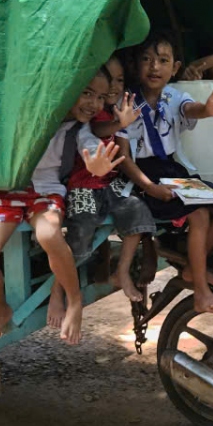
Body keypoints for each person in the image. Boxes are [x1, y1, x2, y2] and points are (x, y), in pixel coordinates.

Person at [0, 69, 124, 357]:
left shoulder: (79, 130)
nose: (93, 103)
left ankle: (74, 301)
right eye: (87, 92)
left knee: (49, 233)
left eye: (101, 97)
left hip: (47, 192)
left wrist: (96, 166)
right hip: (8, 192)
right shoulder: (26, 116)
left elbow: (90, 147)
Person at [115, 31, 213, 314]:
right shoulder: (126, 103)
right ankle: (201, 288)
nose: (154, 67)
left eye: (163, 60)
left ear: (174, 68)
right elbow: (123, 158)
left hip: (171, 170)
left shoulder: (174, 96)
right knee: (198, 214)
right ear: (136, 65)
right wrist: (149, 187)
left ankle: (190, 269)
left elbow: (191, 109)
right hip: (140, 175)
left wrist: (208, 110)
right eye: (147, 60)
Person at [55, 57, 155, 316]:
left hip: (109, 181)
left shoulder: (118, 110)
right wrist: (118, 125)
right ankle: (59, 287)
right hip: (83, 182)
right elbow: (93, 132)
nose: (111, 88)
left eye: (118, 81)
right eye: (91, 91)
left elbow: (115, 147)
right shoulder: (90, 117)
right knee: (83, 225)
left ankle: (122, 271)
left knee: (137, 210)